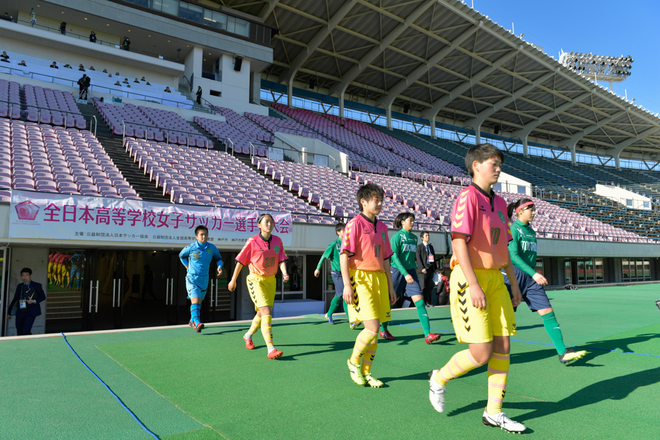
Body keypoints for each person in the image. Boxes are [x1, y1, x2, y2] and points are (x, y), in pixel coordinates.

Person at [429, 143, 526, 433]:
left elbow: (504, 247)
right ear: (476, 166)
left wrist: (513, 282)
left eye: (499, 163)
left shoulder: (499, 202)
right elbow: (458, 241)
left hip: (497, 278)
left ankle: (493, 412)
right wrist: (473, 284)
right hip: (470, 278)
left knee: (504, 345)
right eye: (493, 163)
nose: (498, 168)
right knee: (481, 353)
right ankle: (439, 378)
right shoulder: (467, 197)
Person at [503, 198, 587, 365]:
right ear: (520, 211)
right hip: (514, 275)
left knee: (548, 312)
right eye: (530, 210)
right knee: (507, 318)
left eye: (534, 210)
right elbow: (512, 256)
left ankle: (563, 352)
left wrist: (533, 274)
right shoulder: (513, 229)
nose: (534, 213)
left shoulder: (532, 232)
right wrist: (533, 274)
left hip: (530, 277)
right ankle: (499, 354)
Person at [341, 183, 397, 388]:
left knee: (374, 332)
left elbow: (385, 259)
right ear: (363, 202)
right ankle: (353, 361)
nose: (380, 203)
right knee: (372, 329)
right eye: (376, 200)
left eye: (381, 200)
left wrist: (391, 286)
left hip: (379, 279)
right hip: (360, 278)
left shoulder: (382, 227)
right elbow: (344, 255)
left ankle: (367, 372)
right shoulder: (354, 224)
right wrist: (347, 285)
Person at [228, 213, 289, 359]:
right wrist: (233, 280)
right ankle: (271, 348)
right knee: (266, 311)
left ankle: (247, 335)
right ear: (259, 225)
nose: (270, 224)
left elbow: (281, 259)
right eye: (266, 222)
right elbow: (240, 261)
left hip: (271, 281)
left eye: (271, 222)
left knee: (261, 313)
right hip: (256, 280)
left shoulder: (278, 241)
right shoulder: (252, 241)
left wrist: (285, 273)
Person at [387, 212, 441, 343]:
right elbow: (394, 257)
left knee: (420, 302)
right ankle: (383, 329)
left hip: (411, 272)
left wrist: (411, 272)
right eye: (410, 220)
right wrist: (404, 274)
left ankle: (428, 335)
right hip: (397, 271)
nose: (412, 222)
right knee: (390, 302)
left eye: (413, 220)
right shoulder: (396, 237)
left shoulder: (414, 238)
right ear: (402, 222)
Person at [179, 225, 223, 332]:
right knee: (196, 300)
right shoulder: (191, 248)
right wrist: (187, 266)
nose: (204, 237)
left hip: (204, 279)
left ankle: (192, 320)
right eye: (201, 235)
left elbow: (218, 258)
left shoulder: (211, 248)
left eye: (206, 234)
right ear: (196, 236)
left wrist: (219, 266)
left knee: (199, 301)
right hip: (192, 278)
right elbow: (181, 256)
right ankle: (197, 322)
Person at [314, 222, 350, 325]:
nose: (346, 231)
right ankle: (352, 320)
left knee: (338, 296)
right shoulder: (334, 244)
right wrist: (318, 268)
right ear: (338, 232)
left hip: (346, 273)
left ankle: (329, 314)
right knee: (344, 294)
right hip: (336, 273)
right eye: (343, 230)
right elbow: (324, 256)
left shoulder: (348, 244)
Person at [7, 268, 46, 336]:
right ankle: (20, 345)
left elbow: (43, 297)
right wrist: (9, 312)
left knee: (26, 331)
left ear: (30, 275)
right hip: (20, 311)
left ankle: (28, 345)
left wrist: (33, 301)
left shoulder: (36, 285)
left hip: (30, 312)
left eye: (26, 275)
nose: (24, 277)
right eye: (23, 275)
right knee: (19, 331)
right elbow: (15, 299)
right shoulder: (20, 286)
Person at [416, 231, 437, 305]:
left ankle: (428, 302)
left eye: (428, 235)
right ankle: (422, 303)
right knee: (423, 287)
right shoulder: (419, 247)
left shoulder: (430, 247)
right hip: (423, 270)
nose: (428, 237)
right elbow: (418, 258)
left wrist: (435, 268)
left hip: (430, 269)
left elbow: (433, 257)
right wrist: (422, 268)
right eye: (426, 235)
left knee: (429, 286)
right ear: (422, 238)